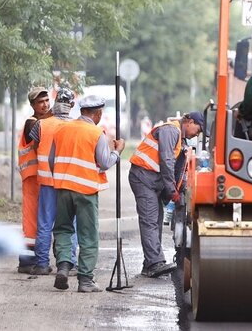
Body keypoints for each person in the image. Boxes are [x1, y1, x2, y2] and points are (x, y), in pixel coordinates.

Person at [50, 95, 124, 292]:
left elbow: (52, 160)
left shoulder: (62, 129)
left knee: (63, 229)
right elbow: (105, 162)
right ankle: (85, 281)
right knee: (88, 235)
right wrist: (118, 151)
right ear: (97, 113)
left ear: (82, 111)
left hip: (63, 188)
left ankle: (64, 267)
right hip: (86, 190)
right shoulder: (95, 133)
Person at [129, 112, 204, 277]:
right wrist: (172, 191)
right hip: (143, 177)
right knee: (150, 220)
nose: (196, 135)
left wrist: (182, 189)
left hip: (153, 180)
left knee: (156, 219)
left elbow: (179, 170)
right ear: (190, 122)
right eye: (197, 130)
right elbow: (167, 161)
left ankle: (149, 263)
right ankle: (155, 263)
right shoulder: (171, 131)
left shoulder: (180, 140)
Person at [28, 87, 77, 275]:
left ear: (55, 103)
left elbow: (34, 146)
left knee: (45, 223)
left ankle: (41, 263)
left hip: (47, 182)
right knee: (69, 224)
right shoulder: (76, 126)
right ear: (71, 105)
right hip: (68, 183)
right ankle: (69, 263)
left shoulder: (42, 125)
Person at [16, 87, 51, 273]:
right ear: (32, 105)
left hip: (40, 176)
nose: (45, 105)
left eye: (46, 100)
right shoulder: (32, 122)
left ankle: (35, 259)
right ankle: (26, 262)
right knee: (31, 220)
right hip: (31, 177)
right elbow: (38, 129)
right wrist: (58, 114)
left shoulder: (44, 120)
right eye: (40, 102)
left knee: (39, 219)